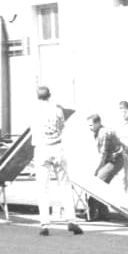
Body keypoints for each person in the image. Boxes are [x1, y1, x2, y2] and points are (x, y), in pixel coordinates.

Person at [32, 85, 82, 236]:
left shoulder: (34, 111)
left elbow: (33, 130)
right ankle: (71, 220)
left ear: (37, 97)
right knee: (64, 185)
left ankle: (44, 224)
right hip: (57, 147)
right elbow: (61, 127)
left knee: (43, 188)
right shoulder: (57, 110)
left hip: (41, 148)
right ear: (50, 95)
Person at [87, 114, 127, 185]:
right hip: (110, 160)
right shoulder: (98, 132)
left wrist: (96, 170)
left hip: (116, 160)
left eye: (91, 125)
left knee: (99, 181)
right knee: (99, 180)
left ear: (98, 123)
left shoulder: (103, 133)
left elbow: (103, 155)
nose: (89, 128)